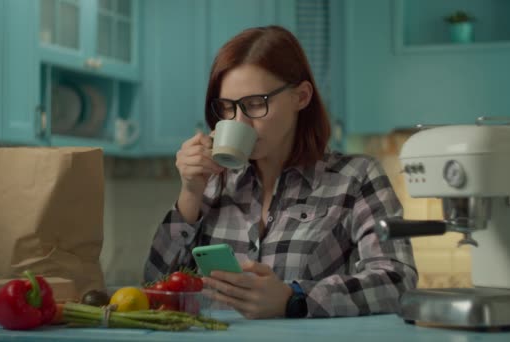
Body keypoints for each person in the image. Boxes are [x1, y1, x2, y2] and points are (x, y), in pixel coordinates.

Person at [144, 25, 417, 319]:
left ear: (301, 96)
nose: (240, 123)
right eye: (228, 108)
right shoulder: (212, 183)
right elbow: (154, 290)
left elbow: (397, 281)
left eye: (255, 104)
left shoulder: (356, 177)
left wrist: (295, 298)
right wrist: (190, 193)